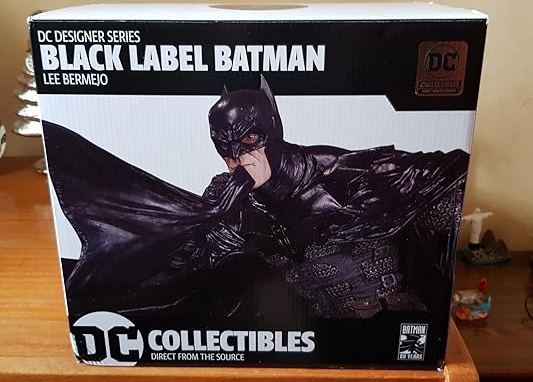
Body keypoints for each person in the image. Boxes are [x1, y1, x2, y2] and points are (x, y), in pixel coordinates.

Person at [44, 76, 469, 319]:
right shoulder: (228, 200)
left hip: (396, 326)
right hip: (319, 344)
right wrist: (205, 217)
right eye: (224, 149)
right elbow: (180, 268)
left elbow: (451, 180)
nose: (238, 159)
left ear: (272, 129)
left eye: (249, 141)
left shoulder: (346, 173)